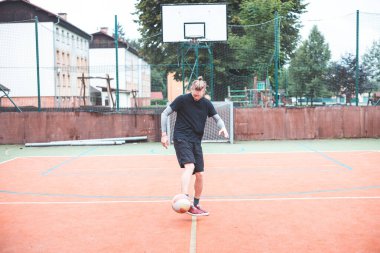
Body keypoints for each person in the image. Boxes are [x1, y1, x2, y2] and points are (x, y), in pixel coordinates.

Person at [161, 76, 229, 216]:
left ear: (204, 91)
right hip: (181, 138)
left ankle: (196, 204)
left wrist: (223, 127)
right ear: (191, 89)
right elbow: (165, 113)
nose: (197, 96)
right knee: (190, 166)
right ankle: (185, 198)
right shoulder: (182, 99)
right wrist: (164, 134)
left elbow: (217, 118)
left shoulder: (206, 104)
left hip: (196, 141)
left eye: (200, 93)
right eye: (194, 92)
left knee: (200, 174)